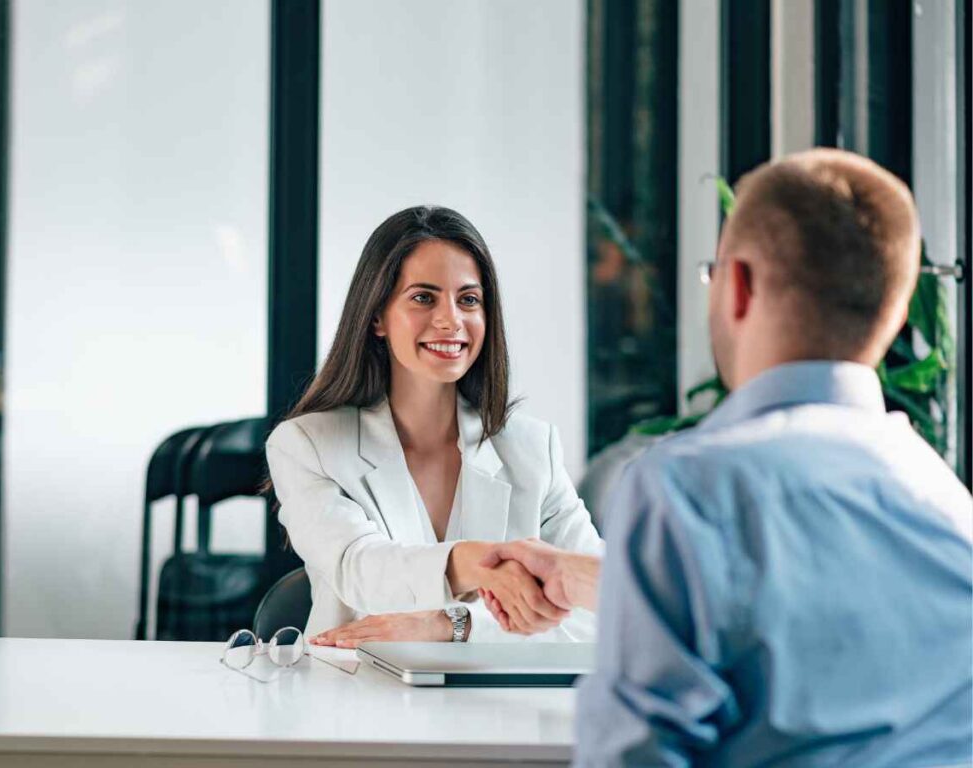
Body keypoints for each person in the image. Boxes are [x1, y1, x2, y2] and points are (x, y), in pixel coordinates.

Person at [480, 149, 973, 766]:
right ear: (897, 314)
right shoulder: (948, 504)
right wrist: (577, 576)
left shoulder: (686, 490)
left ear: (738, 286)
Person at [265, 205, 602, 647]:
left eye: (468, 300)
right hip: (354, 701)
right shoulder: (307, 445)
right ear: (377, 317)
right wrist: (481, 564)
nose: (451, 320)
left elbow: (605, 608)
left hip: (495, 709)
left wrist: (456, 625)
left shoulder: (533, 447)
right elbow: (359, 568)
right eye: (423, 297)